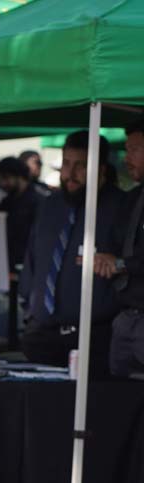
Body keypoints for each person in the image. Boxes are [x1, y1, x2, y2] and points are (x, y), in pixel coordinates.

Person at [19, 131, 124, 373]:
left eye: (81, 165)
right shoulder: (49, 205)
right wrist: (30, 310)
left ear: (101, 169)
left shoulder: (121, 208)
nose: (70, 173)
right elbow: (32, 260)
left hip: (95, 339)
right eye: (66, 164)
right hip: (42, 336)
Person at [108, 120, 144, 377]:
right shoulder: (131, 198)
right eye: (127, 149)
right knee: (120, 393)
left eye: (135, 149)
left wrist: (120, 264)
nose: (127, 157)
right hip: (125, 316)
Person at [0, 157, 44, 273]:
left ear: (19, 176)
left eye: (6, 178)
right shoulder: (6, 202)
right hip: (6, 264)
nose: (3, 183)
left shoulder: (36, 201)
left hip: (27, 265)